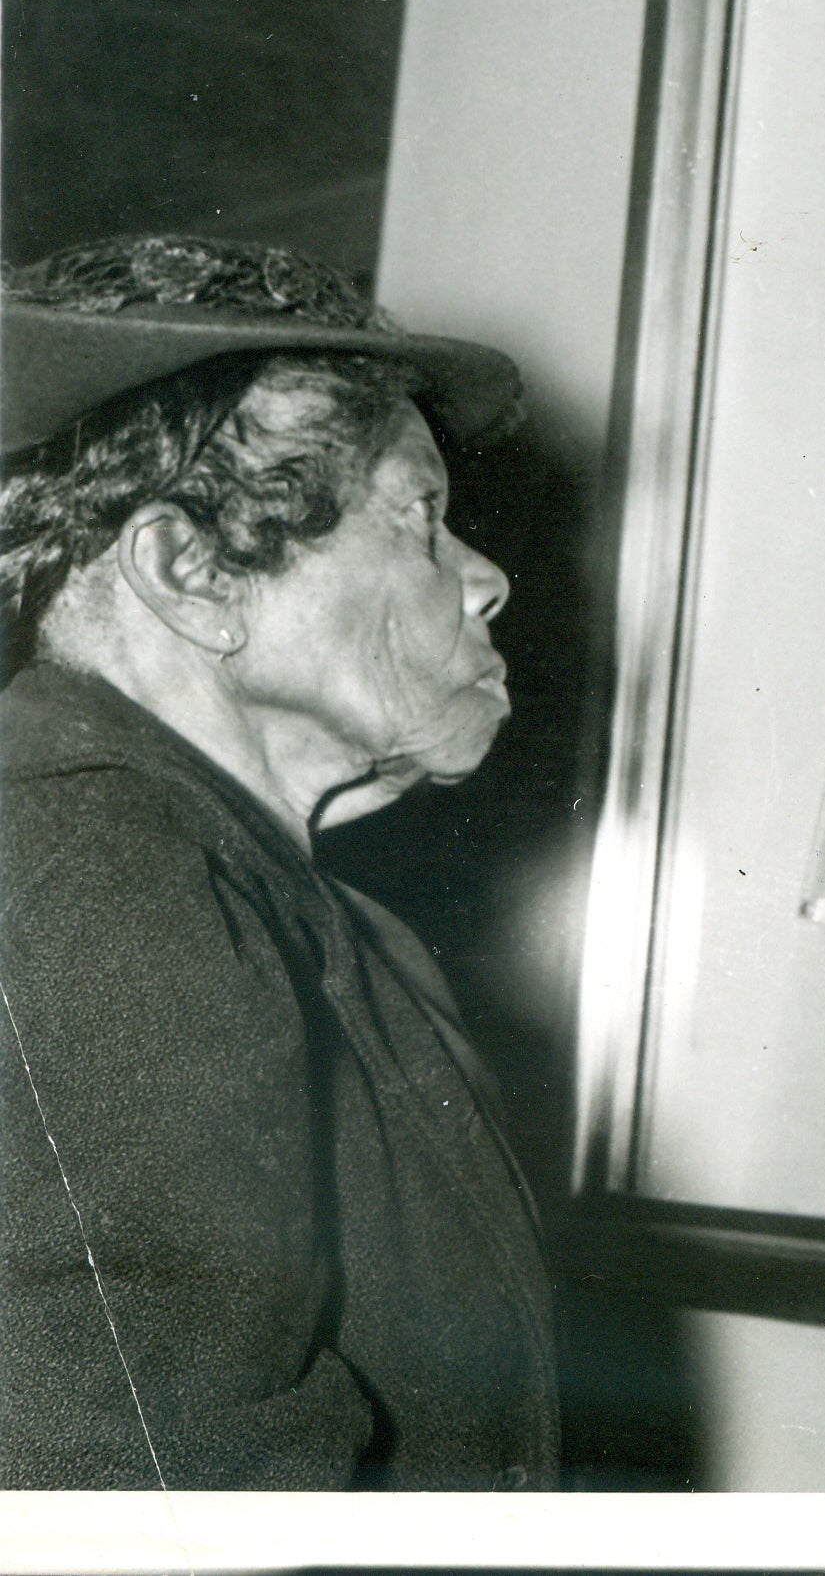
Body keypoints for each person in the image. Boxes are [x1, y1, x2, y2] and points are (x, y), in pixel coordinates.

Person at [0, 235, 559, 1489]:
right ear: (193, 574)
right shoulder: (94, 881)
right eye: (420, 518)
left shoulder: (295, 905)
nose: (489, 579)